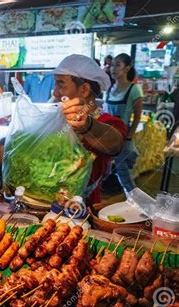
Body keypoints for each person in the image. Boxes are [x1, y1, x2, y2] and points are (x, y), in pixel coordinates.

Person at [52, 54, 127, 204]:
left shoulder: (109, 122)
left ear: (85, 89)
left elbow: (115, 144)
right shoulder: (56, 118)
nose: (55, 92)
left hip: (82, 209)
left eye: (61, 85)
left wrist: (87, 126)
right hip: (45, 203)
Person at [104, 53, 143, 196]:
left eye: (117, 65)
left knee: (124, 174)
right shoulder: (109, 89)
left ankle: (137, 205)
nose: (113, 68)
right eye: (112, 65)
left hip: (122, 139)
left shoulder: (134, 89)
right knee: (103, 170)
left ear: (127, 68)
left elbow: (137, 117)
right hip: (106, 138)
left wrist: (128, 139)